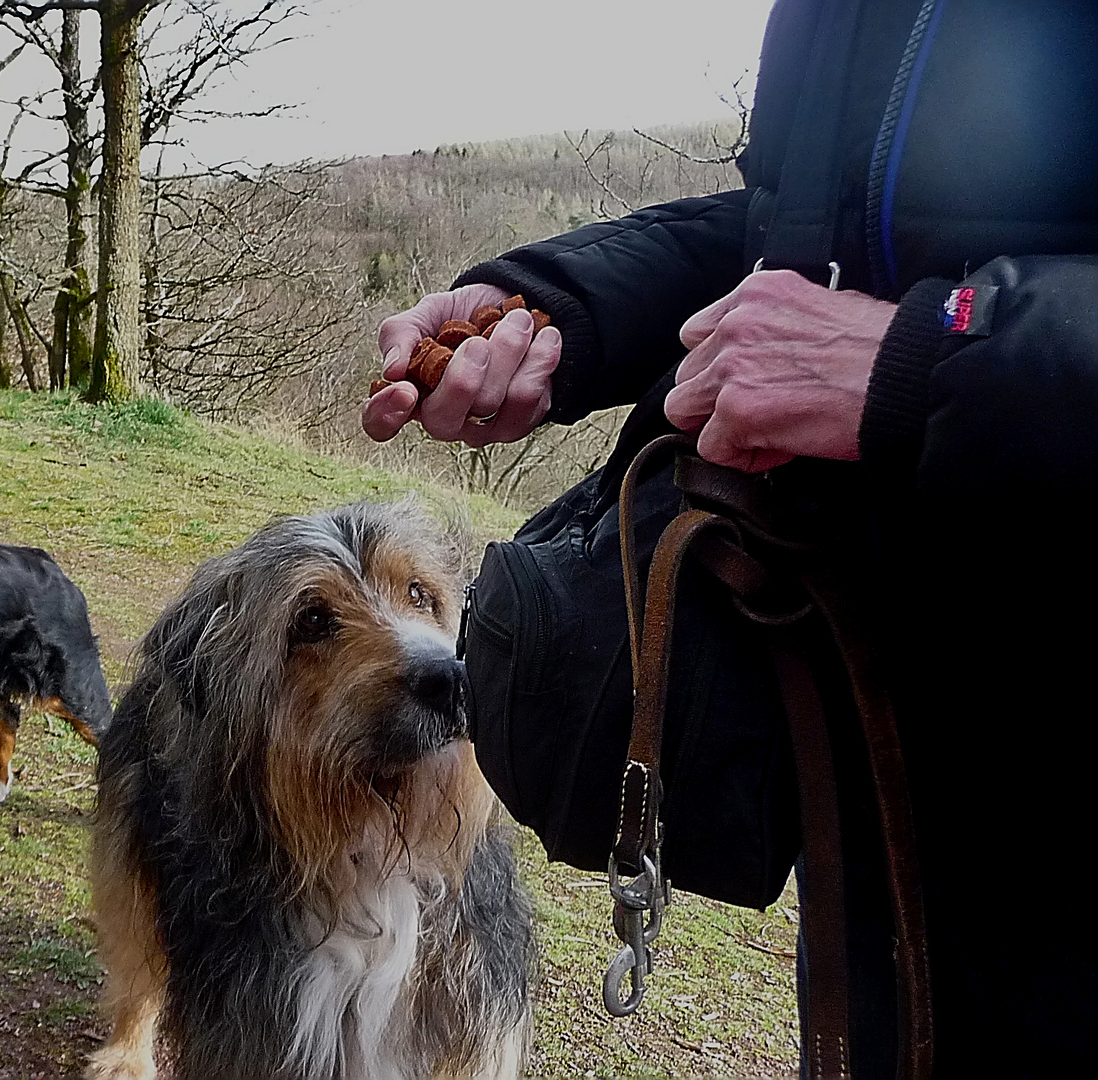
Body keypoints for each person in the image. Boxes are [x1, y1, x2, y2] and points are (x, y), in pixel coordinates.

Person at [362, 1, 1098, 1076]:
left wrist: (935, 359)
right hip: (880, 756)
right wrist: (564, 309)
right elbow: (812, 232)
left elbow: (909, 312)